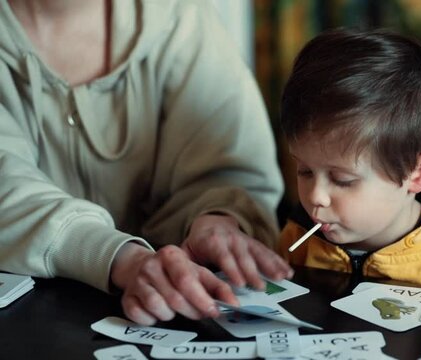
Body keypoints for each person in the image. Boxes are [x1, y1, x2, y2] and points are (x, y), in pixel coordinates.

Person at [0, 0, 293, 325]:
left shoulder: (180, 15)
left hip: (181, 313)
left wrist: (218, 219)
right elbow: (8, 189)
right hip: (35, 322)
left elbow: (231, 163)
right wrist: (120, 258)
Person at [278, 28, 421, 296]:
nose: (315, 196)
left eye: (342, 180)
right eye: (305, 170)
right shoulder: (296, 242)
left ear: (420, 173)